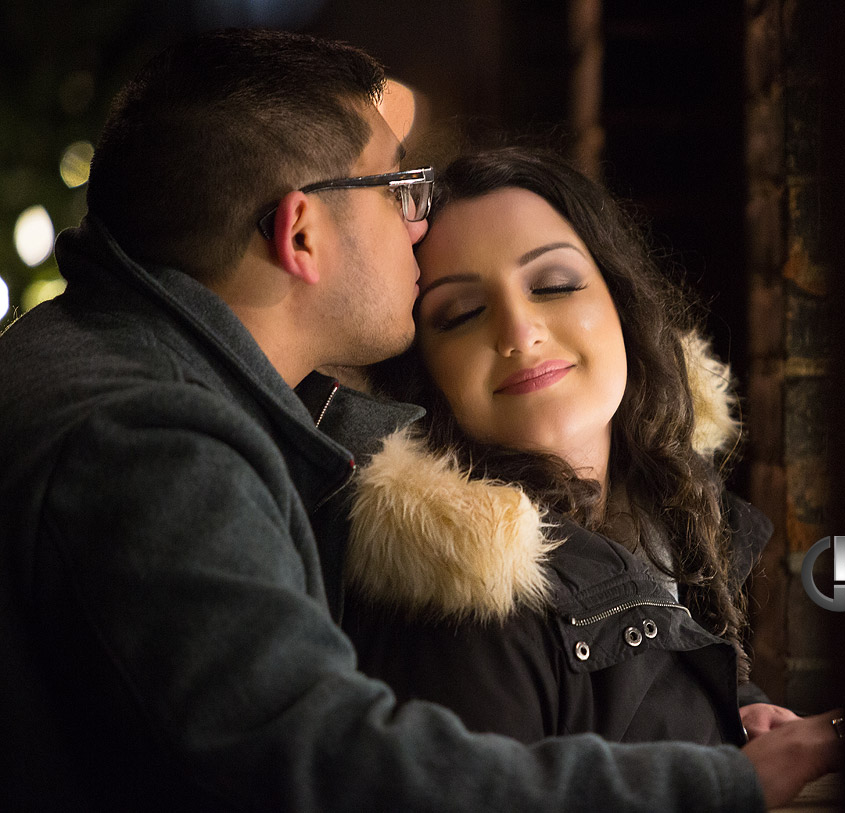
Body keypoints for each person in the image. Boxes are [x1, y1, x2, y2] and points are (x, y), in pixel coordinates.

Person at [0, 27, 839, 811]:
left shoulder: (118, 367)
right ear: (302, 232)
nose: (418, 222)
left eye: (553, 283)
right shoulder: (148, 439)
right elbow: (322, 764)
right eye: (400, 189)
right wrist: (714, 787)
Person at [304, 147, 814, 747]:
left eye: (553, 284)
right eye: (462, 313)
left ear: (621, 303)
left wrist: (733, 713)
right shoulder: (462, 609)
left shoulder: (673, 506)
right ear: (422, 372)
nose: (520, 332)